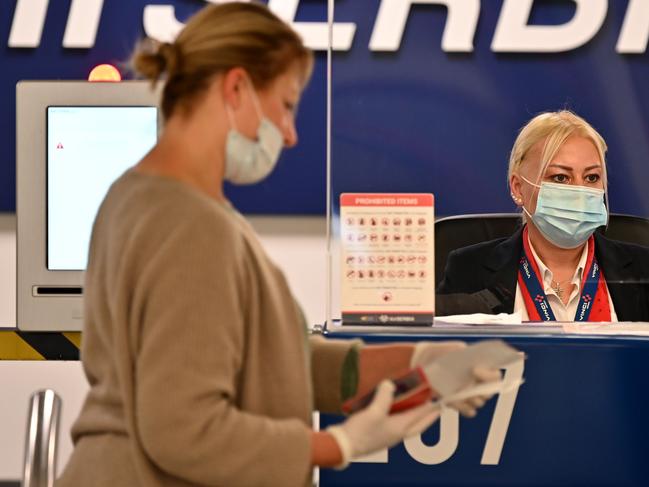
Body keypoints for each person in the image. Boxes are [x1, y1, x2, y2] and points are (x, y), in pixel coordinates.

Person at [56, 3, 497, 486]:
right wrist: (338, 445)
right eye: (286, 106)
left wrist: (409, 362)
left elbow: (267, 359)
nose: (290, 136)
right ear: (236, 88)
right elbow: (184, 429)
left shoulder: (136, 196)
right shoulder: (189, 224)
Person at [438, 110, 649, 322]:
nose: (579, 192)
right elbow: (446, 353)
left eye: (591, 177)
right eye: (560, 177)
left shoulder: (643, 268)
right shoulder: (467, 269)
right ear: (518, 188)